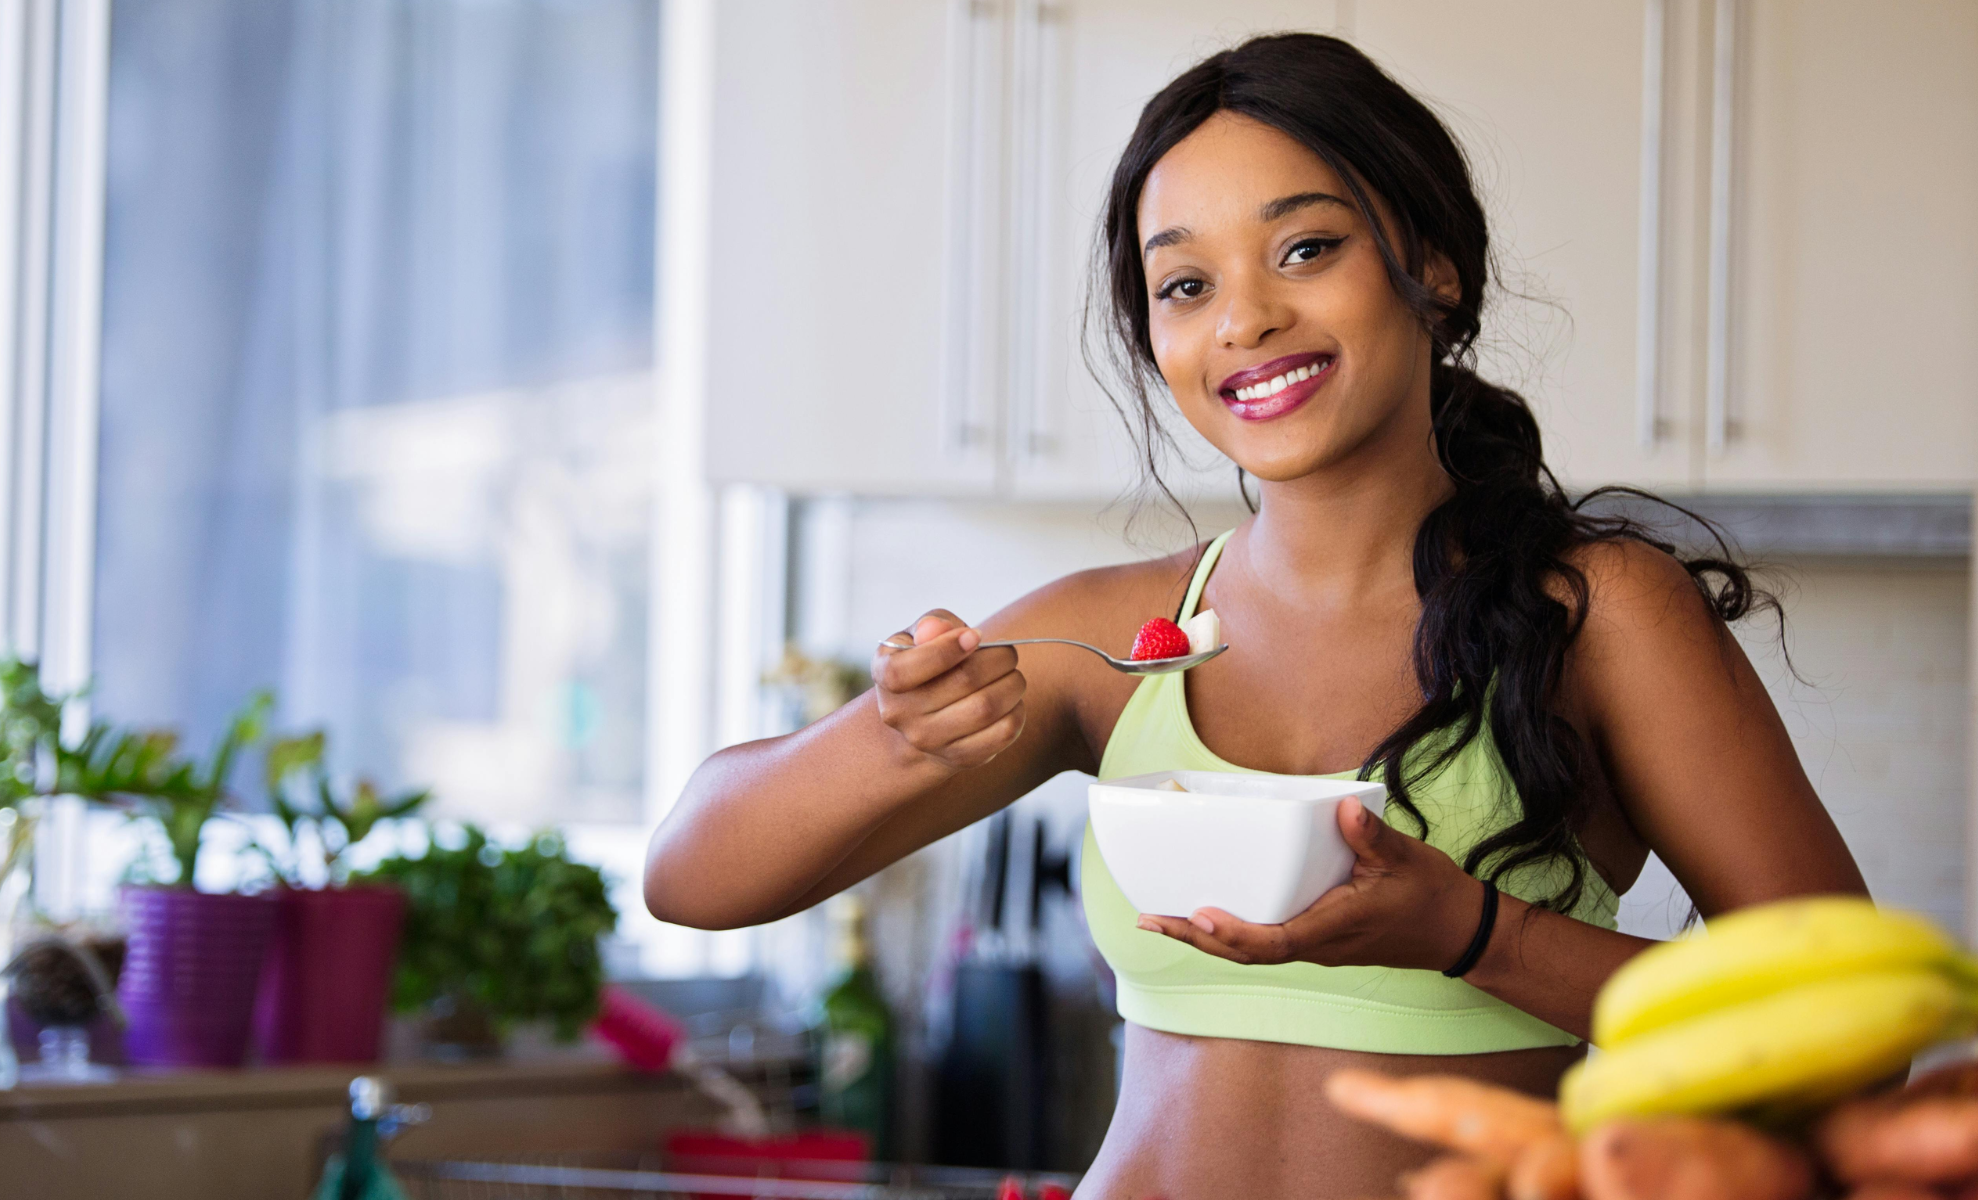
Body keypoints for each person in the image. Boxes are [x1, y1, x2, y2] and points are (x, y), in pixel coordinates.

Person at [644, 33, 1865, 1199]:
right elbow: (693, 877)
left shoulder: (1593, 613)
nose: (1243, 320)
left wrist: (1470, 932)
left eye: (1303, 249)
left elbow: (1844, 1042)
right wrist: (892, 738)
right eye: (1184, 283)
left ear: (1430, 263)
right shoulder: (1122, 635)